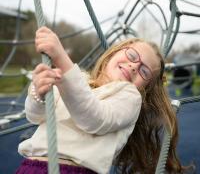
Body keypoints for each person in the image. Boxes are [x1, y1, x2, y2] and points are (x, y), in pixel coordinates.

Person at [16, 26, 183, 174]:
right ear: (113, 53)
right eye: (132, 55)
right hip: (30, 166)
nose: (134, 66)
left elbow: (94, 118)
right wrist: (38, 93)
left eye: (144, 71)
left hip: (73, 170)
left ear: (144, 88)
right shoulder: (77, 79)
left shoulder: (130, 97)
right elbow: (35, 116)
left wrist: (61, 58)